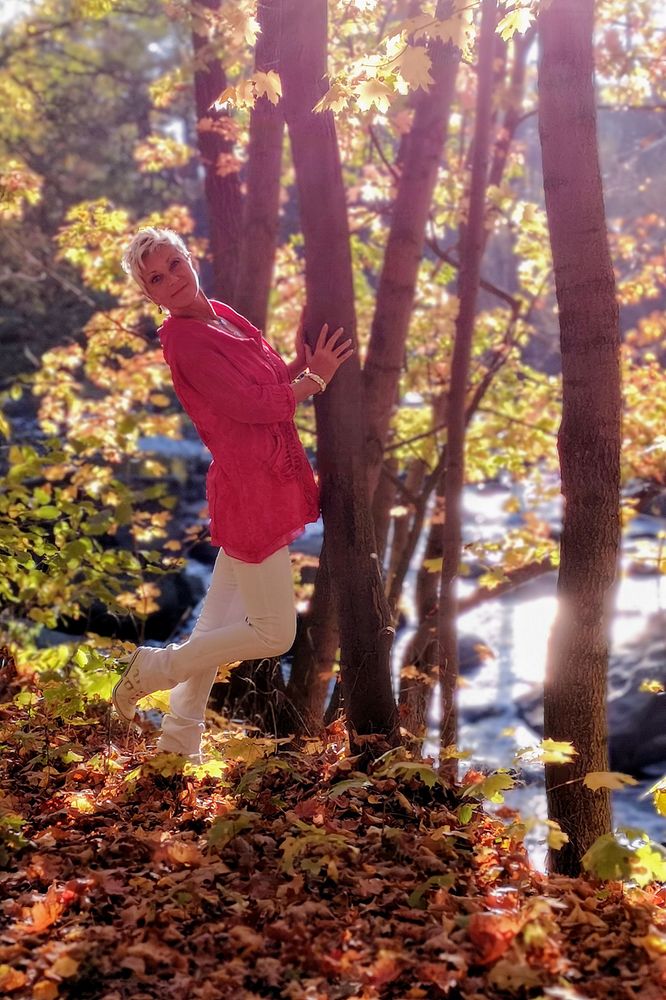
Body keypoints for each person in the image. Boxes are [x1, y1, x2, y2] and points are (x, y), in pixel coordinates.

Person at [112, 227, 353, 762]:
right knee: (273, 635)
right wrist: (315, 379)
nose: (171, 280)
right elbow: (251, 406)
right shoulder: (183, 340)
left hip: (264, 479)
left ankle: (176, 747)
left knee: (215, 625)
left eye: (174, 264)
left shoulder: (221, 313)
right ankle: (153, 668)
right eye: (156, 278)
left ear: (189, 259)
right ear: (150, 295)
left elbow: (265, 384)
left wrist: (297, 365)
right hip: (253, 492)